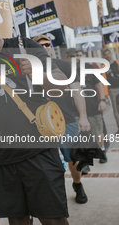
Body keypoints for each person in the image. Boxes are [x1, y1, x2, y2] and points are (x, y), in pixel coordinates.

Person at [0, 3, 69, 225]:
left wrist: (38, 73)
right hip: (0, 160)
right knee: (17, 221)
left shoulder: (24, 47)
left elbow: (60, 88)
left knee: (52, 219)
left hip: (37, 151)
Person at [33, 37, 90, 204]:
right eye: (39, 45)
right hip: (40, 124)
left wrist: (83, 116)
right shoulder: (27, 68)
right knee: (47, 163)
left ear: (51, 46)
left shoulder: (65, 66)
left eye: (46, 44)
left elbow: (77, 92)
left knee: (73, 159)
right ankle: (55, 194)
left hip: (67, 121)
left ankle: (77, 184)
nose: (43, 47)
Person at [66, 50, 108, 163]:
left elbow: (99, 84)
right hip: (74, 110)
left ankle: (102, 150)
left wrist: (102, 100)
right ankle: (84, 158)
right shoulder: (66, 70)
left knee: (97, 131)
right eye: (73, 56)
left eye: (78, 55)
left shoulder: (90, 67)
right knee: (80, 135)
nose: (76, 57)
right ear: (68, 58)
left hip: (93, 106)